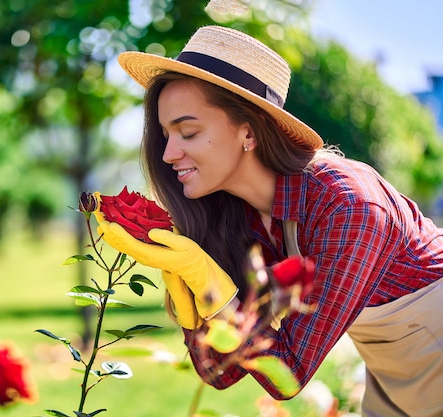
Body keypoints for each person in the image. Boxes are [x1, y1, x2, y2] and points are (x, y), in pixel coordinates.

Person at [94, 24, 443, 417]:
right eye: (165, 135)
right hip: (397, 378)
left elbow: (287, 375)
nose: (169, 154)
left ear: (249, 131)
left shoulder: (348, 207)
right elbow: (217, 372)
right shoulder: (236, 214)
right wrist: (183, 277)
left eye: (188, 132)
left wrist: (205, 275)